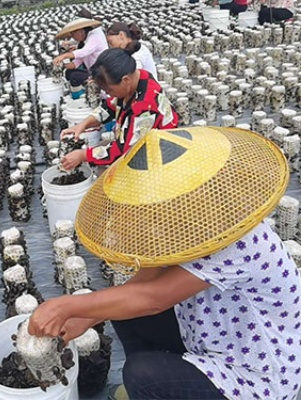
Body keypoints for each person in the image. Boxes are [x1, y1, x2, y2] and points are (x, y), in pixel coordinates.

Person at [29, 126, 301, 400]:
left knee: (140, 373)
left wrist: (63, 306)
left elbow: (154, 298)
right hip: (212, 334)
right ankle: (161, 388)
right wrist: (88, 317)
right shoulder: (179, 224)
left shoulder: (238, 240)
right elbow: (142, 284)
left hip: (259, 374)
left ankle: (155, 387)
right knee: (124, 312)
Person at [59, 48, 178, 171]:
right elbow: (109, 107)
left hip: (159, 151)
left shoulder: (144, 107)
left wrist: (83, 155)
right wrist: (83, 125)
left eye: (110, 90)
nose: (109, 94)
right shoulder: (137, 77)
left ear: (125, 80)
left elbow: (124, 152)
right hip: (133, 139)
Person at [53, 18, 108, 99]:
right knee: (69, 73)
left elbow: (85, 51)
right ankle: (76, 96)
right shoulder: (84, 41)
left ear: (80, 31)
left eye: (73, 34)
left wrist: (64, 56)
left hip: (103, 73)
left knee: (75, 77)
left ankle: (81, 98)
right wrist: (62, 64)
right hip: (93, 72)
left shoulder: (95, 36)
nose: (72, 37)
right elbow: (76, 63)